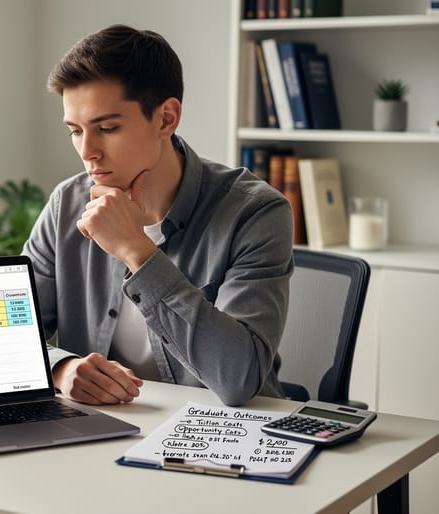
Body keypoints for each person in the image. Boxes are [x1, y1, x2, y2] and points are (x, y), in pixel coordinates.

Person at [23, 24, 294, 408]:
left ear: (166, 118)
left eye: (107, 128)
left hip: (219, 434)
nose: (88, 152)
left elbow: (238, 378)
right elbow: (10, 335)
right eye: (75, 131)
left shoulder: (254, 213)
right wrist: (60, 368)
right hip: (104, 430)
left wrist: (137, 250)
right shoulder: (67, 203)